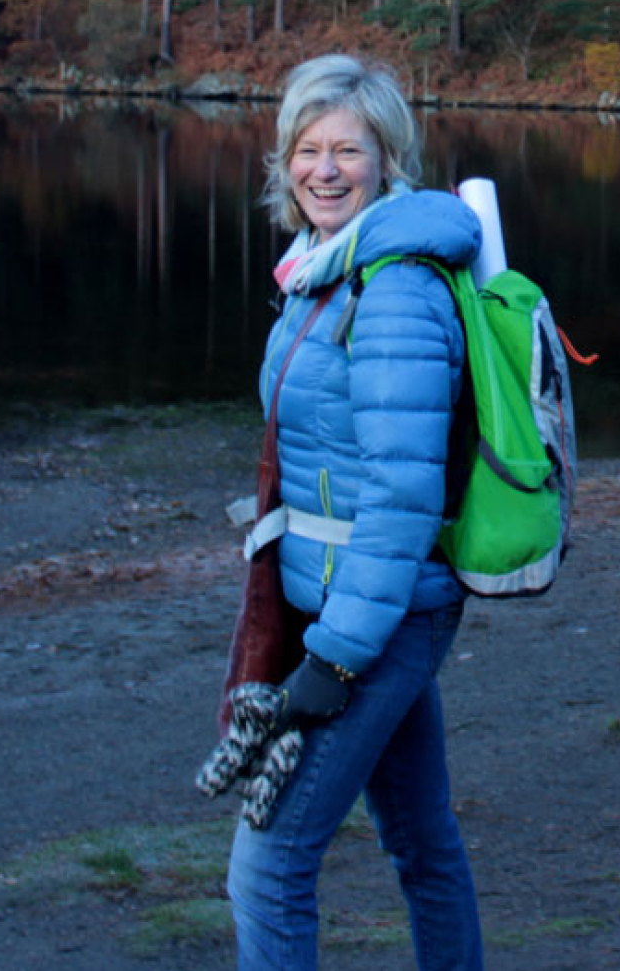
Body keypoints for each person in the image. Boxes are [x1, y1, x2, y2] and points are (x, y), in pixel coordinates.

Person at [222, 53, 484, 971]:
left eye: (348, 150)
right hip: (354, 605)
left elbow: (402, 499)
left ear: (387, 159)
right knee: (423, 843)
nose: (323, 169)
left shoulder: (394, 290)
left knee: (268, 866)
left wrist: (333, 659)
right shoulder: (323, 272)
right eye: (307, 147)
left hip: (373, 618)